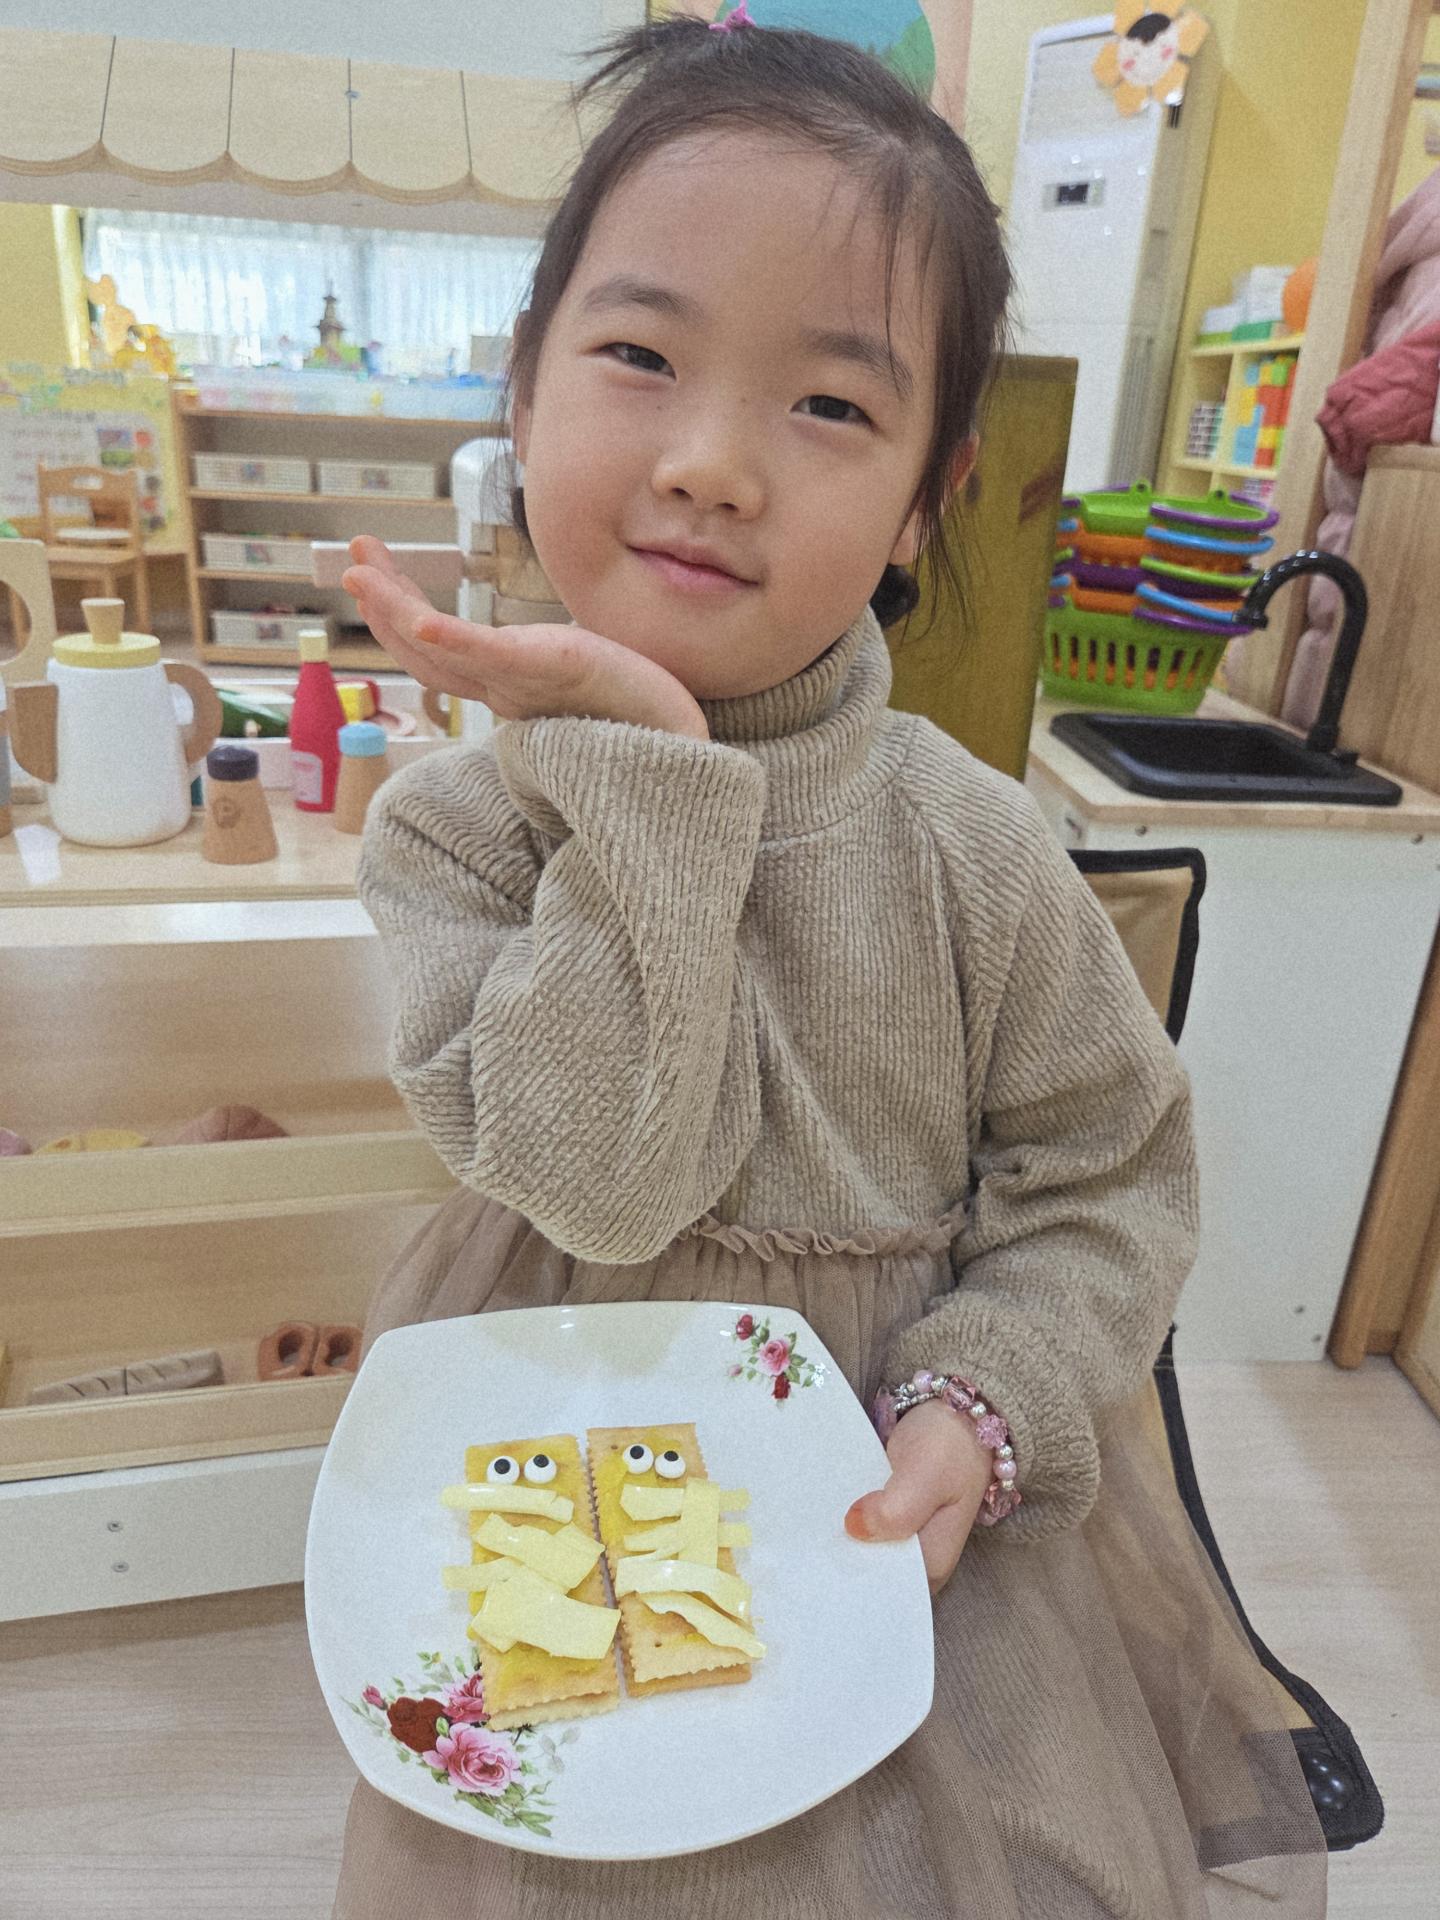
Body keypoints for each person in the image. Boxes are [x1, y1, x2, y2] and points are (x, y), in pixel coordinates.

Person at [330, 17, 1326, 1917]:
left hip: (892, 1489)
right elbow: (605, 1181)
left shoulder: (974, 846)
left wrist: (987, 1390)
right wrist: (642, 771)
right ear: (521, 388)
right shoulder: (456, 831)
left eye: (830, 406)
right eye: (641, 357)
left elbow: (1112, 1176)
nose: (712, 464)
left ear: (928, 495)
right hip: (557, 1448)